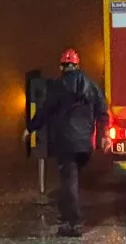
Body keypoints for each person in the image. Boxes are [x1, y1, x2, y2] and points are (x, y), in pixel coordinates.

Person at [24, 48, 110, 236]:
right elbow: (102, 111)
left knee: (68, 181)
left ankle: (74, 224)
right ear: (77, 65)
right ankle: (65, 215)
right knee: (71, 180)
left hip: (66, 142)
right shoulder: (92, 86)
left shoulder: (57, 86)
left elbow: (45, 110)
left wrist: (30, 128)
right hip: (85, 144)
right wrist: (104, 136)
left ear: (62, 66)